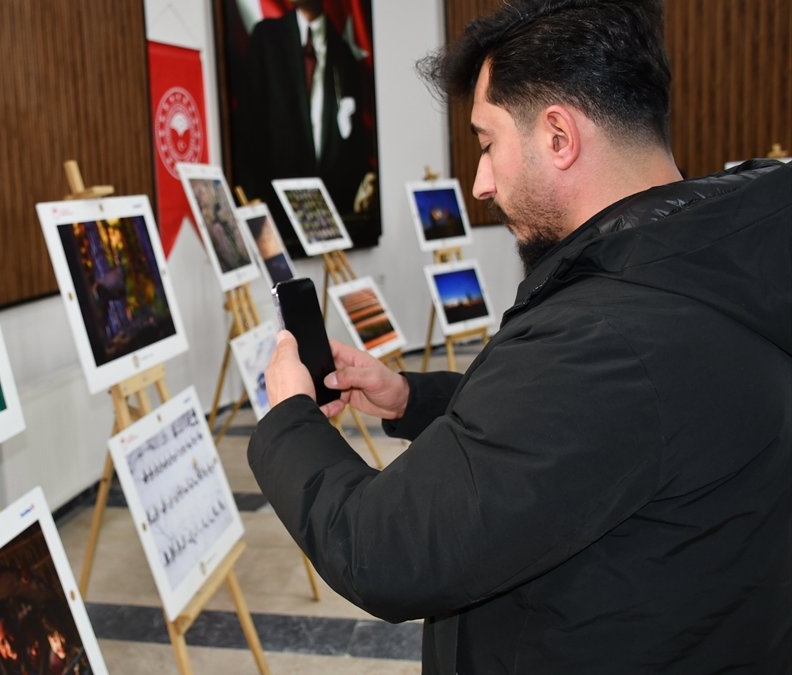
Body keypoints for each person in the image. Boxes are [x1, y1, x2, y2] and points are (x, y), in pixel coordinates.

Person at [248, 1, 791, 672]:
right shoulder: (700, 265)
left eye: (486, 143)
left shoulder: (608, 335)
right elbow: (580, 436)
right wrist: (412, 398)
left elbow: (382, 549)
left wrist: (289, 417)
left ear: (559, 136)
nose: (480, 183)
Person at [238, 0, 376, 253]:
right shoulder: (267, 39)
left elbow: (352, 148)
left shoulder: (344, 54)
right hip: (275, 226)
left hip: (328, 226)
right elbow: (248, 132)